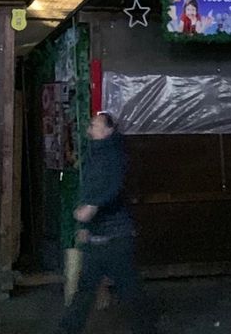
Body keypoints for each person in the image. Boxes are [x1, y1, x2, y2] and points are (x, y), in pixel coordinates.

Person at [57, 113, 158, 334]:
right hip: (98, 237)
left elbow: (112, 186)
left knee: (128, 291)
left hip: (116, 237)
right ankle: (67, 330)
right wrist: (84, 227)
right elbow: (91, 189)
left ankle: (147, 330)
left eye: (95, 125)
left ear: (108, 130)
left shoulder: (115, 156)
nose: (90, 129)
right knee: (86, 289)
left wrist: (93, 206)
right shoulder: (96, 154)